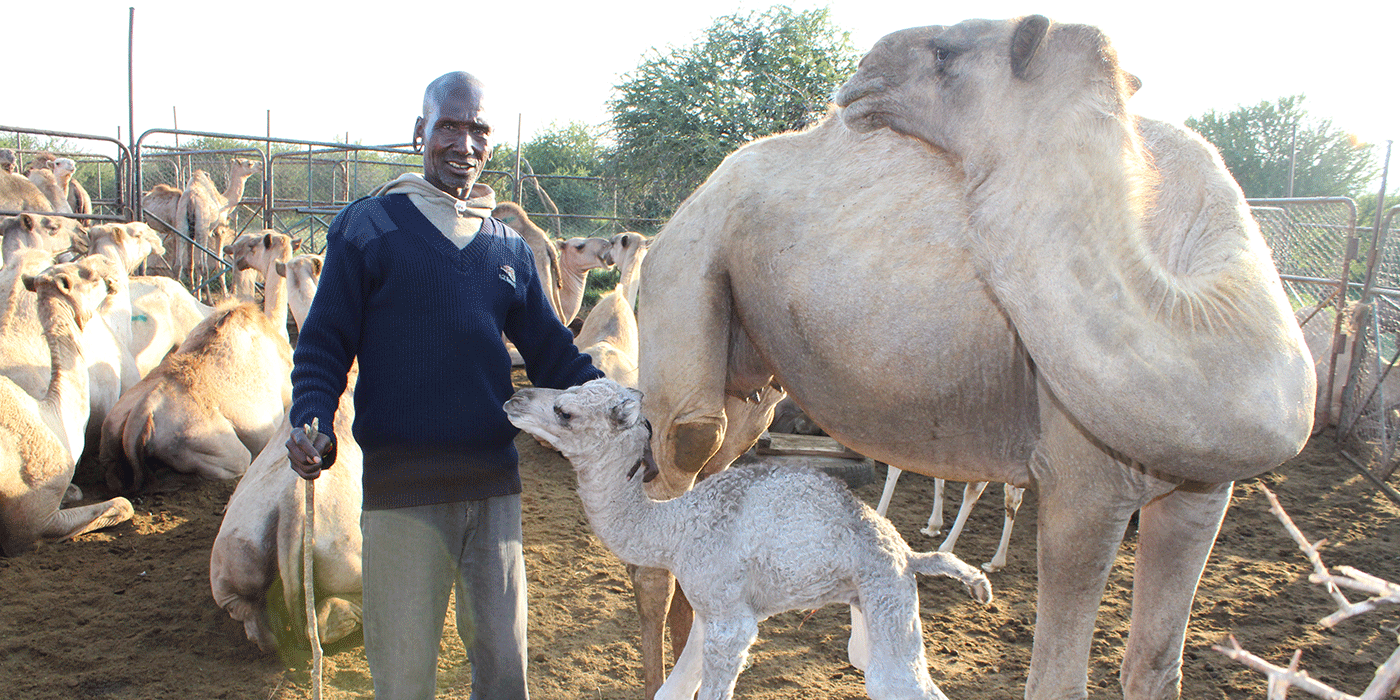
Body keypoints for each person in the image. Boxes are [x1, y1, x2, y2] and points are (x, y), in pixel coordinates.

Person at [286, 71, 604, 700]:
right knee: (404, 676)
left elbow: (553, 356)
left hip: (492, 488)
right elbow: (323, 343)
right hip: (403, 491)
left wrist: (620, 402)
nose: (465, 142)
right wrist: (311, 419)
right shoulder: (368, 228)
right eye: (450, 125)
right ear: (419, 133)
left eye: (478, 129)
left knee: (503, 669)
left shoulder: (506, 247)